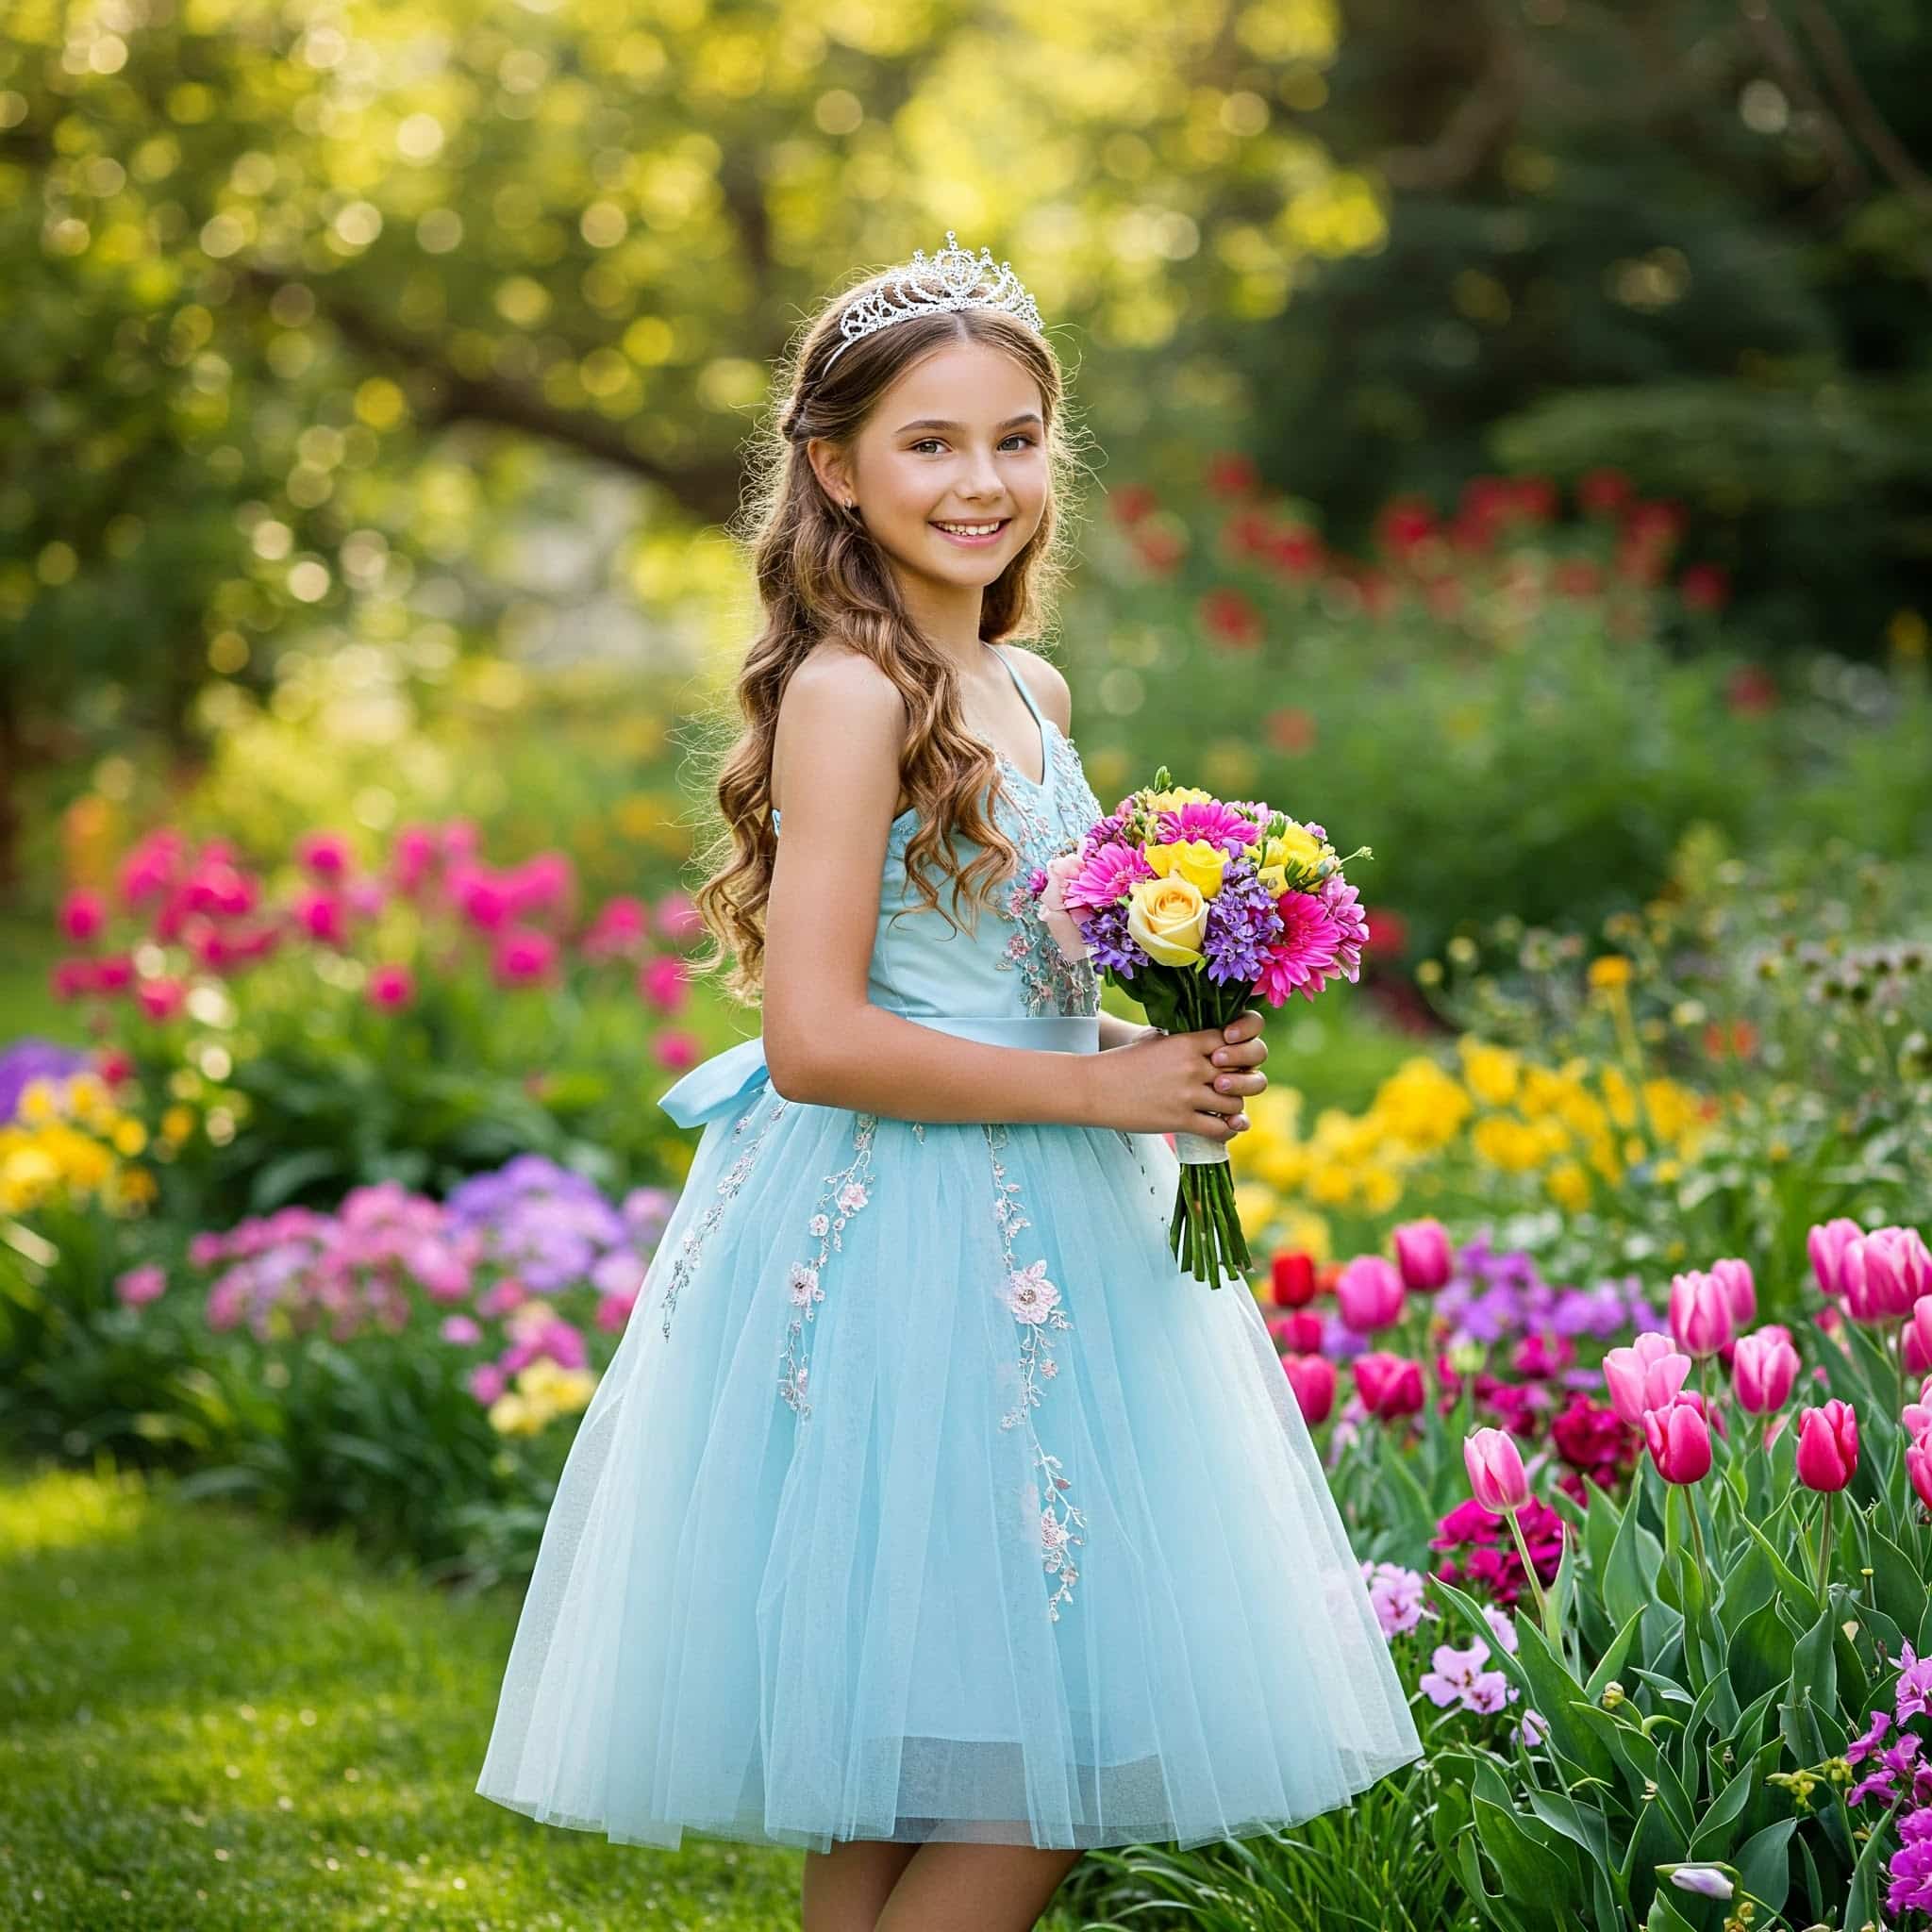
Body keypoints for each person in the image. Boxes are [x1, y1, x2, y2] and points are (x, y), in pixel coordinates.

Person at [474, 231, 1424, 1932]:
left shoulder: (1029, 688)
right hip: (916, 1239)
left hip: (1062, 1239)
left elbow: (1008, 990)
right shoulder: (850, 695)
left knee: (928, 1764)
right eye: (930, 443)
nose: (980, 481)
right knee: (1046, 1753)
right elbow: (815, 1037)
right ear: (834, 469)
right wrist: (1105, 1101)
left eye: (1012, 437)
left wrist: (1151, 1047)